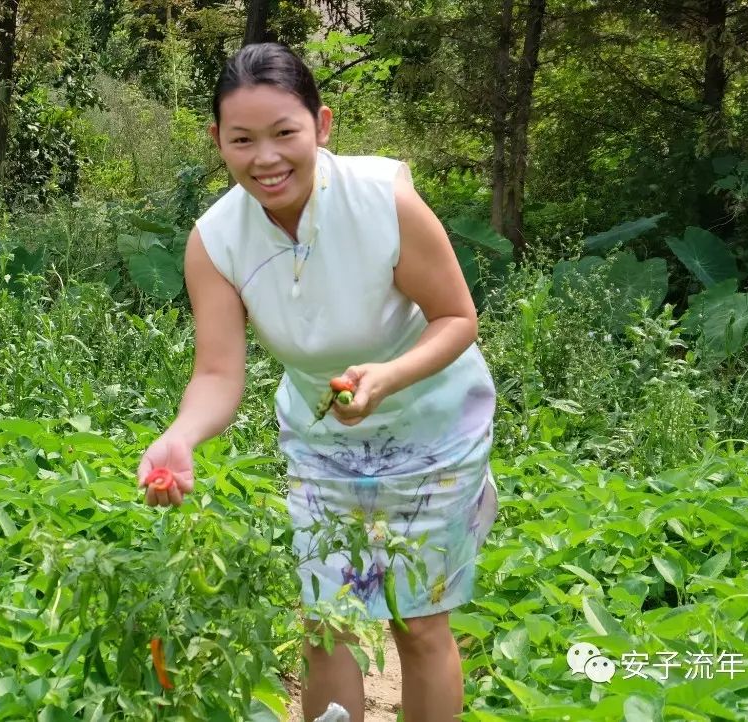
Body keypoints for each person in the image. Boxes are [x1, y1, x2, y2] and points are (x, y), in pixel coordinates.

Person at [135, 43, 500, 722]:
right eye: (242, 140)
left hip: (433, 425)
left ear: (322, 125)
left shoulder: (383, 201)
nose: (265, 158)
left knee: (416, 622)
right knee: (327, 617)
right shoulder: (215, 240)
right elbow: (217, 372)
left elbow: (456, 317)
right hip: (323, 435)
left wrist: (387, 377)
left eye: (285, 133)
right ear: (217, 140)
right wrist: (180, 436)